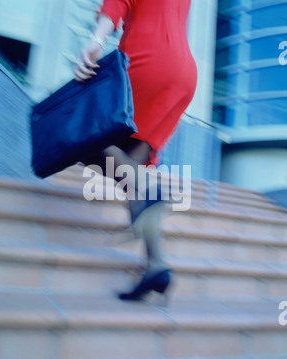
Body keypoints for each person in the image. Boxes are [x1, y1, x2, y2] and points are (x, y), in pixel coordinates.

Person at [74, 0, 198, 302]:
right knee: (132, 170)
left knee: (88, 138)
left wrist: (96, 40)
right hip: (183, 74)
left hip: (148, 60)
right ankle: (156, 266)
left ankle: (148, 192)